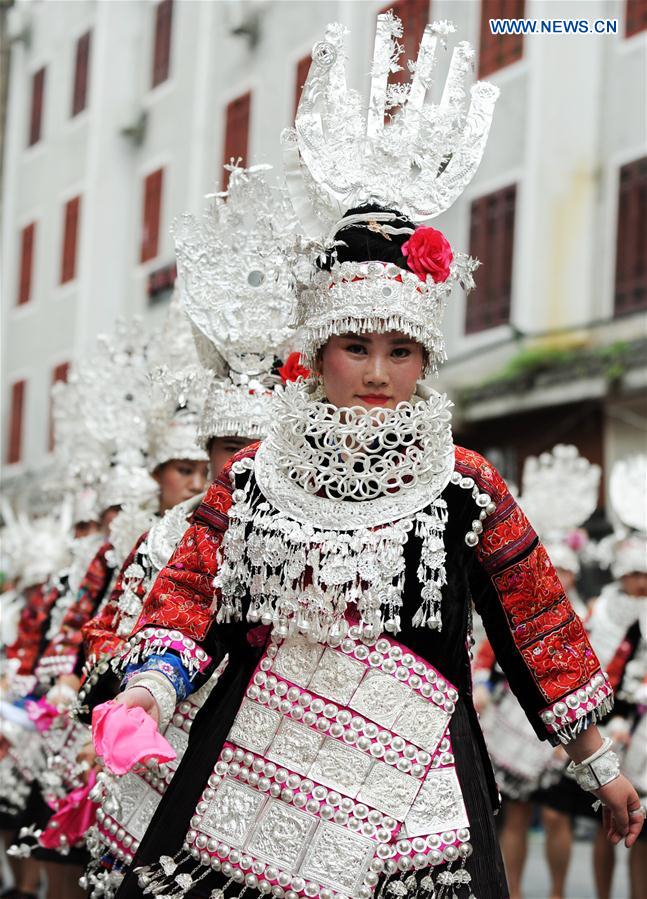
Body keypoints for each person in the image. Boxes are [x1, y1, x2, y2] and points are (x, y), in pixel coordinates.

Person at [98, 15, 643, 899]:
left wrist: (598, 764)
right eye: (355, 347)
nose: (378, 373)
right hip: (257, 777)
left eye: (401, 349)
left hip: (416, 784)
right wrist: (151, 688)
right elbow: (190, 596)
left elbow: (538, 627)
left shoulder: (462, 483)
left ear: (426, 358)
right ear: (316, 355)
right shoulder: (254, 478)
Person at [79, 167, 298, 899]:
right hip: (169, 737)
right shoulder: (173, 531)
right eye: (219, 447)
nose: (235, 460)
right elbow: (123, 634)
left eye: (251, 442)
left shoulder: (305, 518)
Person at [473, 445, 600, 899]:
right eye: (555, 569)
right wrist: (484, 687)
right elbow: (489, 655)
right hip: (517, 719)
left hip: (566, 728)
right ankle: (518, 892)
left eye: (565, 570)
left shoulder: (594, 617)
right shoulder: (522, 611)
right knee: (517, 815)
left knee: (556, 816)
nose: (560, 578)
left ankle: (560, 891)